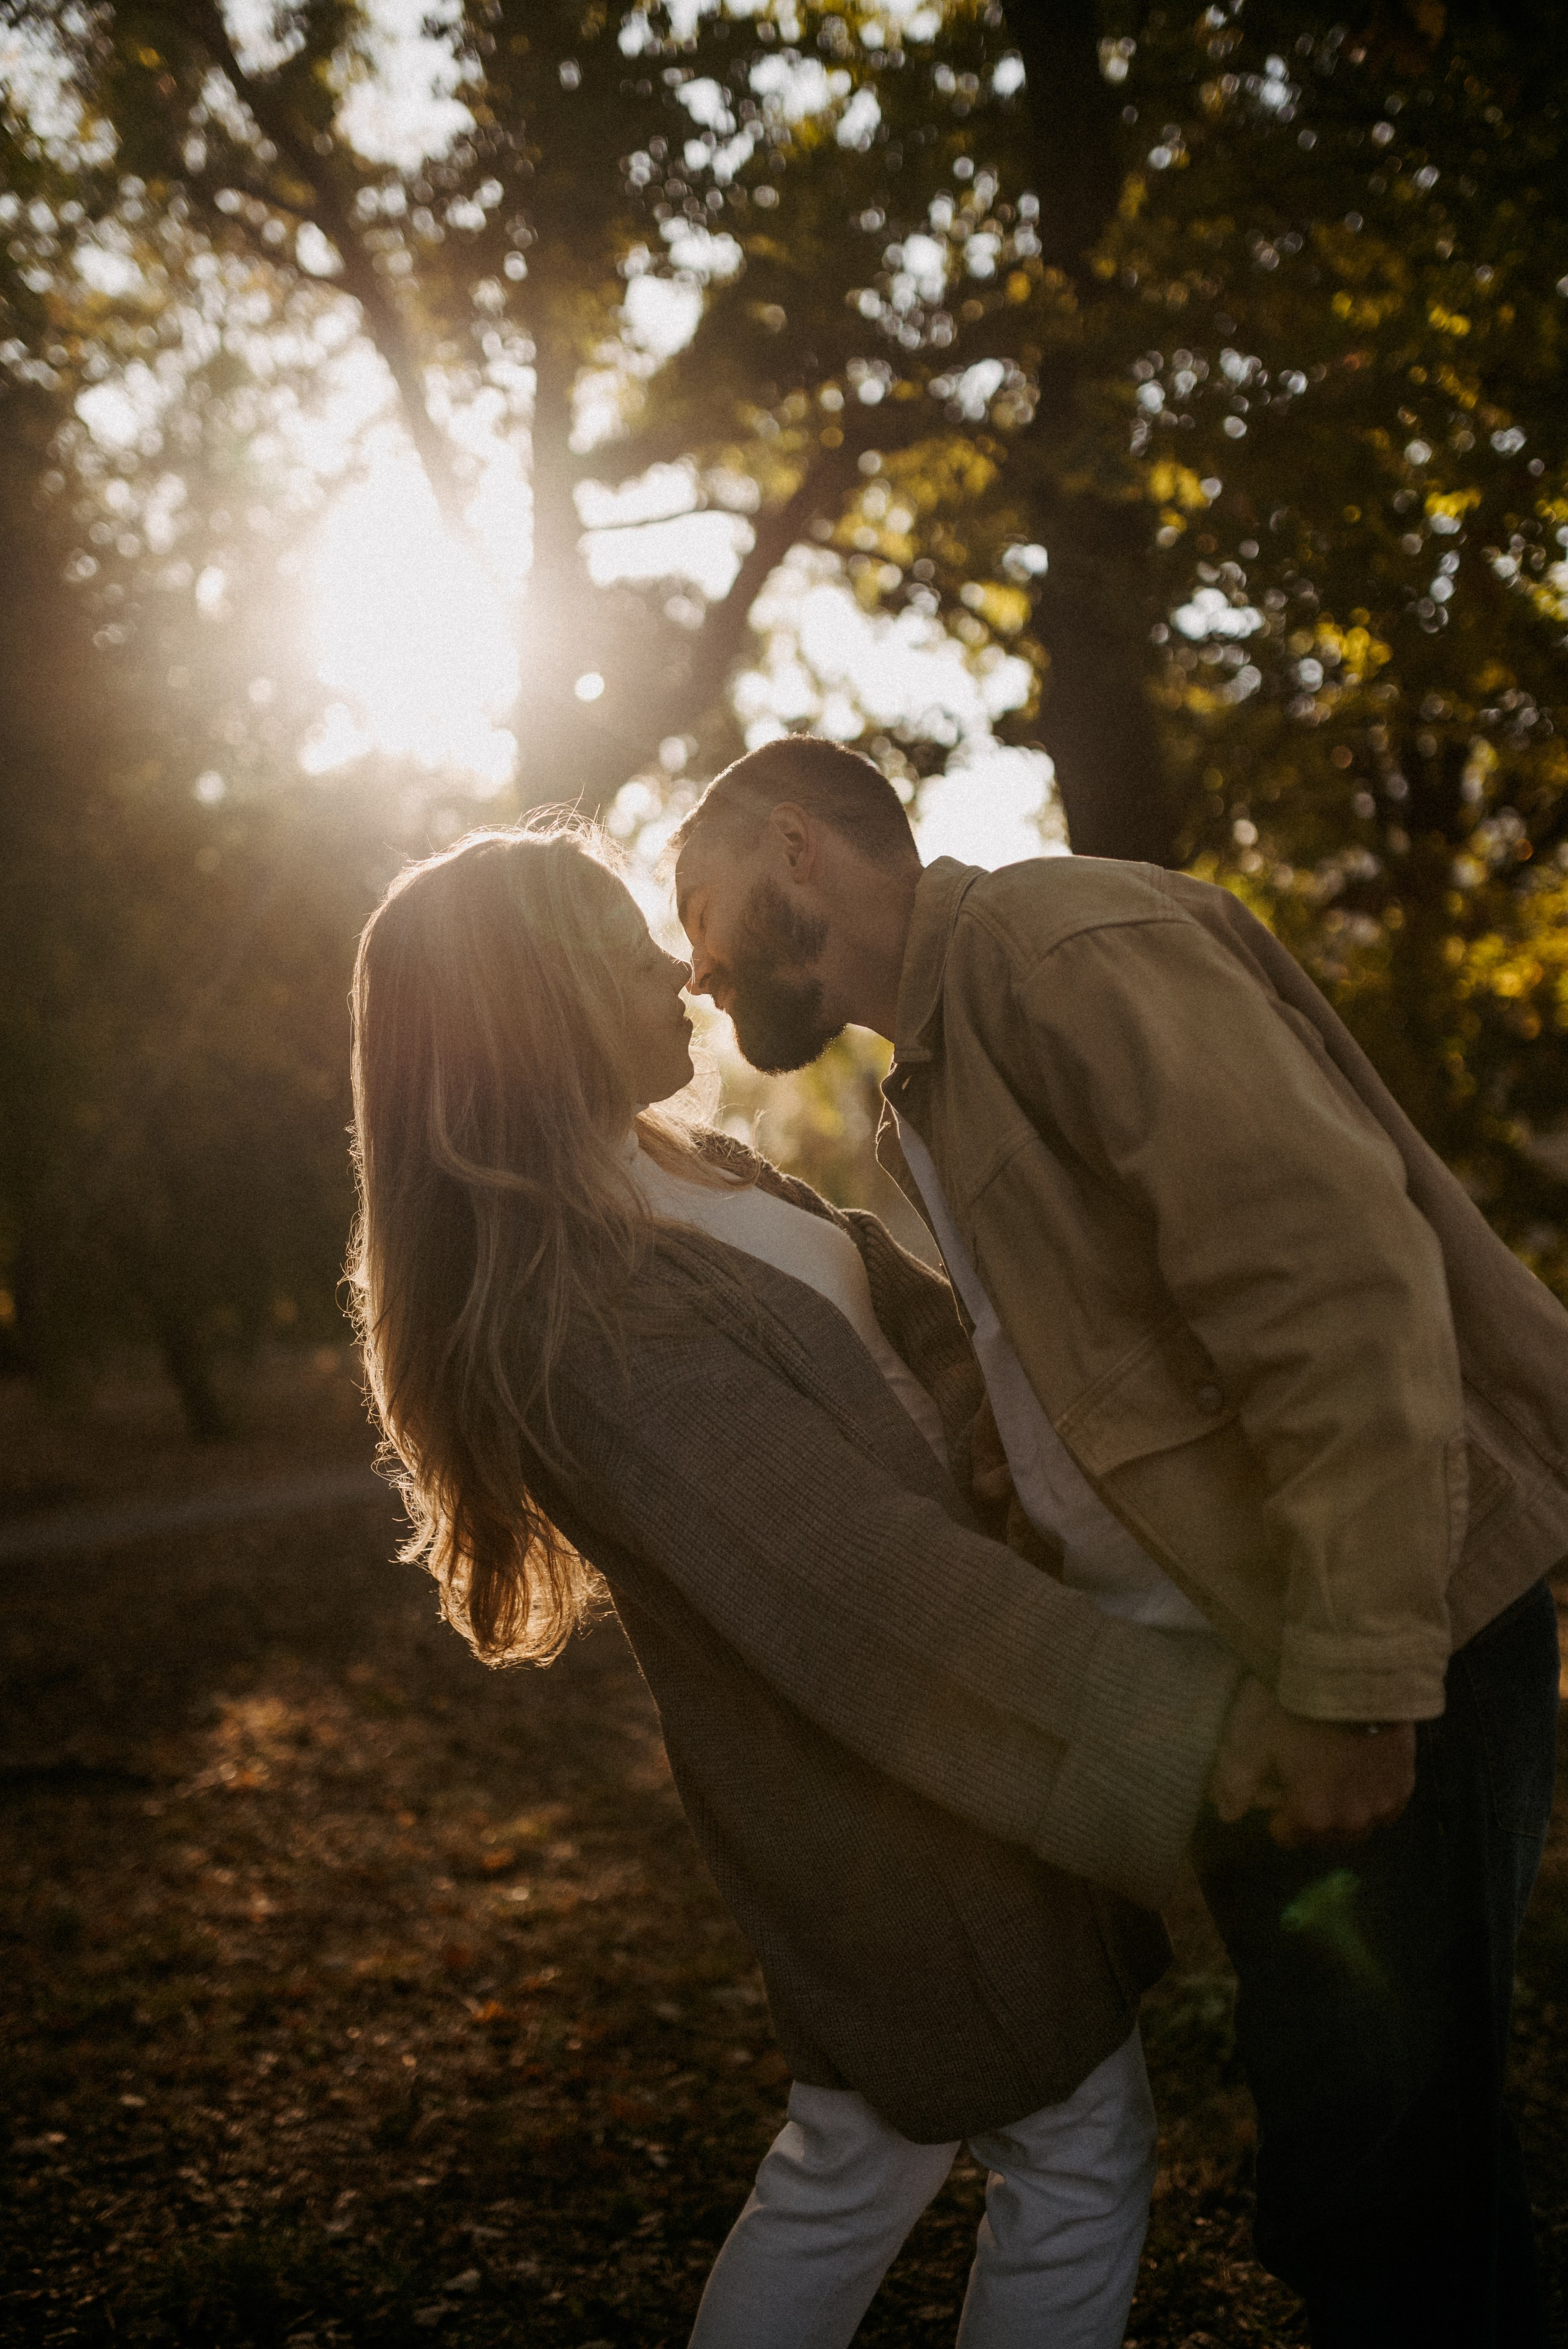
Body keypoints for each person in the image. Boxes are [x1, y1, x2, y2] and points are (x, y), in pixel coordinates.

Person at [671, 734, 1568, 2349]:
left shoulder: (1059, 947)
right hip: (1255, 1673)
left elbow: (1333, 1285)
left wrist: (1368, 1683)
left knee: (1381, 2194)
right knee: (1393, 2177)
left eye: (699, 903)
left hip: (1380, 1647)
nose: (696, 959)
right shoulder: (929, 1085)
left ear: (796, 849)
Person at [347, 818, 1252, 2349]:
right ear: (536, 995)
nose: (682, 976)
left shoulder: (685, 1167)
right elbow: (861, 1584)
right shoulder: (575, 1312)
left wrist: (985, 1443)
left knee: (857, 2154)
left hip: (938, 1749)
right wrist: (1180, 1727)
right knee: (1069, 2147)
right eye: (632, 950)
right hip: (881, 1789)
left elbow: (924, 1328)